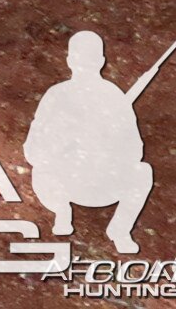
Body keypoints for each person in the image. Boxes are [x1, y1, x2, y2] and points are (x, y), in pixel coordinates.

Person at [27, 28, 161, 253]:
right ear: (100, 60)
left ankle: (119, 230)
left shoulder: (112, 96)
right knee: (41, 171)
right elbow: (33, 151)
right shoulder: (58, 96)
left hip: (102, 185)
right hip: (65, 183)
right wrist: (67, 142)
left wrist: (106, 142)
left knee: (142, 171)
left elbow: (134, 151)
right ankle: (62, 211)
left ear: (70, 60)